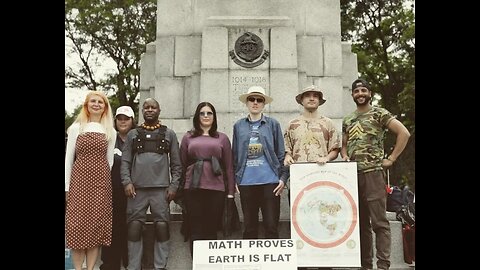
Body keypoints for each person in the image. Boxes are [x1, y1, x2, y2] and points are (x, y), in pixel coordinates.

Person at [341, 78, 410, 270]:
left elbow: (404, 133)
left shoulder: (379, 113)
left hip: (373, 174)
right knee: (361, 224)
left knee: (379, 222)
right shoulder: (348, 119)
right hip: (352, 176)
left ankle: (383, 265)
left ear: (369, 94)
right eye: (357, 91)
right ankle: (365, 265)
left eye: (364, 90)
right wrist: (345, 155)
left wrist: (392, 158)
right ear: (352, 95)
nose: (360, 94)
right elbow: (344, 145)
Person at [120, 98, 182, 270]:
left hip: (161, 190)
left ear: (159, 110)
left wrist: (173, 186)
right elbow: (125, 162)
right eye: (146, 107)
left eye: (153, 107)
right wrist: (126, 182)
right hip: (136, 190)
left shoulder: (169, 134)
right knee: (133, 227)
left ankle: (160, 266)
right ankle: (133, 266)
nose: (149, 110)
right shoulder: (133, 134)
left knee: (162, 226)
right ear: (142, 111)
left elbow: (177, 165)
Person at [65, 91, 116, 270]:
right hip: (79, 183)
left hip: (100, 185)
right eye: (93, 101)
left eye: (100, 102)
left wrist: (101, 181)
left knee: (95, 227)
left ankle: (91, 268)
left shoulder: (110, 131)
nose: (96, 104)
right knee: (77, 226)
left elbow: (110, 161)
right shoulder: (75, 128)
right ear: (86, 105)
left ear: (105, 107)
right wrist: (67, 187)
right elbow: (68, 158)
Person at [179, 102, 236, 256]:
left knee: (211, 230)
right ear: (197, 116)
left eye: (209, 113)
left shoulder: (222, 138)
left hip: (216, 189)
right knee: (196, 230)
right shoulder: (188, 137)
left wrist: (230, 192)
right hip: (193, 188)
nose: (205, 116)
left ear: (214, 117)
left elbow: (229, 167)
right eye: (202, 113)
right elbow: (182, 165)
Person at [232, 86, 288, 239]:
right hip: (246, 183)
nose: (255, 103)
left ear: (264, 104)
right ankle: (250, 263)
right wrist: (234, 179)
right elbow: (235, 155)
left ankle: (272, 262)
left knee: (271, 227)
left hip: (270, 182)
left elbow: (281, 154)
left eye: (259, 100)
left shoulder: (273, 124)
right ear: (247, 103)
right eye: (252, 99)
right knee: (249, 228)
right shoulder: (238, 126)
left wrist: (283, 179)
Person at [283, 85, 341, 201]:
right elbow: (287, 149)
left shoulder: (328, 123)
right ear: (301, 100)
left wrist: (327, 158)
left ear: (319, 101)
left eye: (315, 96)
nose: (312, 98)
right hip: (298, 178)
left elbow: (335, 149)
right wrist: (288, 156)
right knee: (298, 214)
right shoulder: (292, 125)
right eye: (307, 96)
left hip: (321, 176)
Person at [100, 106, 136, 270]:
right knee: (112, 227)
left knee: (130, 227)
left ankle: (129, 261)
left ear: (132, 121)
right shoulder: (108, 140)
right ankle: (110, 263)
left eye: (126, 118)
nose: (123, 121)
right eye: (120, 118)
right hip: (111, 192)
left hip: (133, 193)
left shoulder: (137, 139)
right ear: (115, 120)